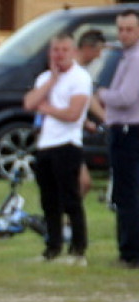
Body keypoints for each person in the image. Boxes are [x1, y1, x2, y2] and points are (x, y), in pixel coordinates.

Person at [24, 33, 92, 262]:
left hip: (68, 143)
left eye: (64, 50)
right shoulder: (44, 78)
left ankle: (78, 248)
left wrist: (49, 109)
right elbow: (30, 103)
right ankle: (53, 246)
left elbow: (73, 114)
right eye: (55, 50)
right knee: (48, 199)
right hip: (45, 143)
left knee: (70, 198)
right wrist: (52, 81)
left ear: (72, 52)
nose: (59, 55)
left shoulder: (80, 78)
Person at [95, 9, 139, 268]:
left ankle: (130, 252)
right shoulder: (125, 57)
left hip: (128, 130)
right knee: (125, 192)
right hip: (123, 129)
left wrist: (102, 94)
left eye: (129, 29)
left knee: (127, 193)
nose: (123, 34)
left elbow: (125, 97)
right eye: (120, 29)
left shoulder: (135, 59)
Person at [76, 29, 107, 199]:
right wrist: (106, 118)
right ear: (88, 48)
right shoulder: (76, 73)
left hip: (73, 136)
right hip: (64, 139)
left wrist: (86, 122)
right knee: (82, 182)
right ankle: (59, 220)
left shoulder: (82, 73)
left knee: (81, 183)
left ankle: (63, 220)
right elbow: (87, 99)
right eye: (98, 50)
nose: (99, 55)